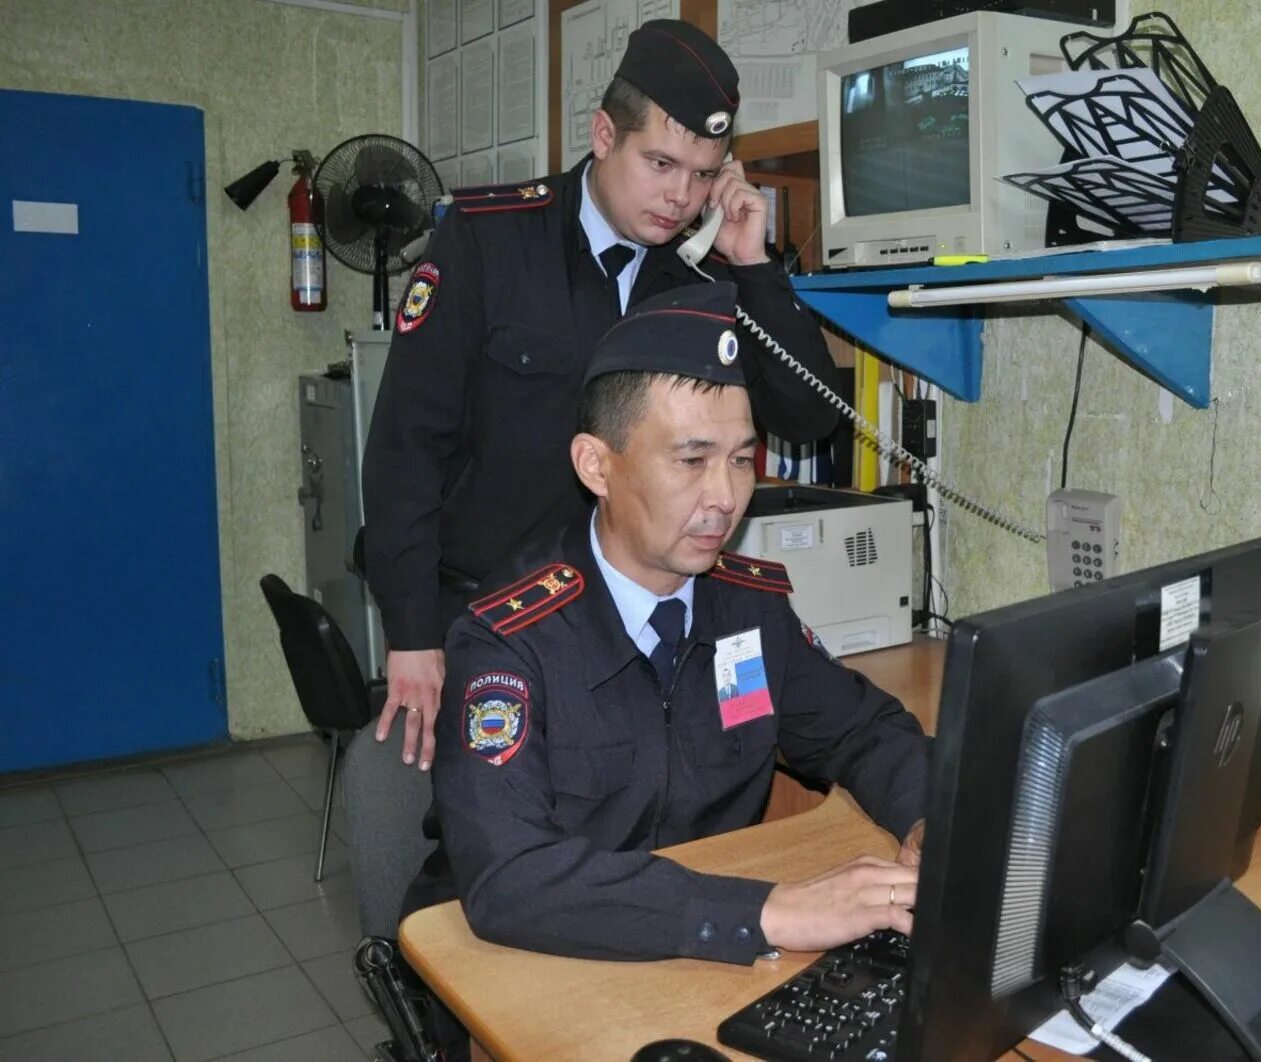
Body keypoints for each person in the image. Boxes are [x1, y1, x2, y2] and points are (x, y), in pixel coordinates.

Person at [403, 282, 930, 969]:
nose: (725, 497)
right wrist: (770, 913)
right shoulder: (510, 639)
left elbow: (864, 731)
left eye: (742, 460)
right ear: (597, 465)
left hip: (696, 952)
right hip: (531, 963)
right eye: (691, 460)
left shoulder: (748, 610)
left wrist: (928, 820)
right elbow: (510, 877)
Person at [363, 18, 843, 773]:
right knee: (491, 849)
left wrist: (752, 267)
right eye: (660, 162)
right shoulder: (489, 241)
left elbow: (809, 416)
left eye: (702, 173)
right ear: (602, 135)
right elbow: (404, 450)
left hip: (637, 632)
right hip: (490, 619)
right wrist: (411, 631)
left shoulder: (703, 279)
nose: (680, 196)